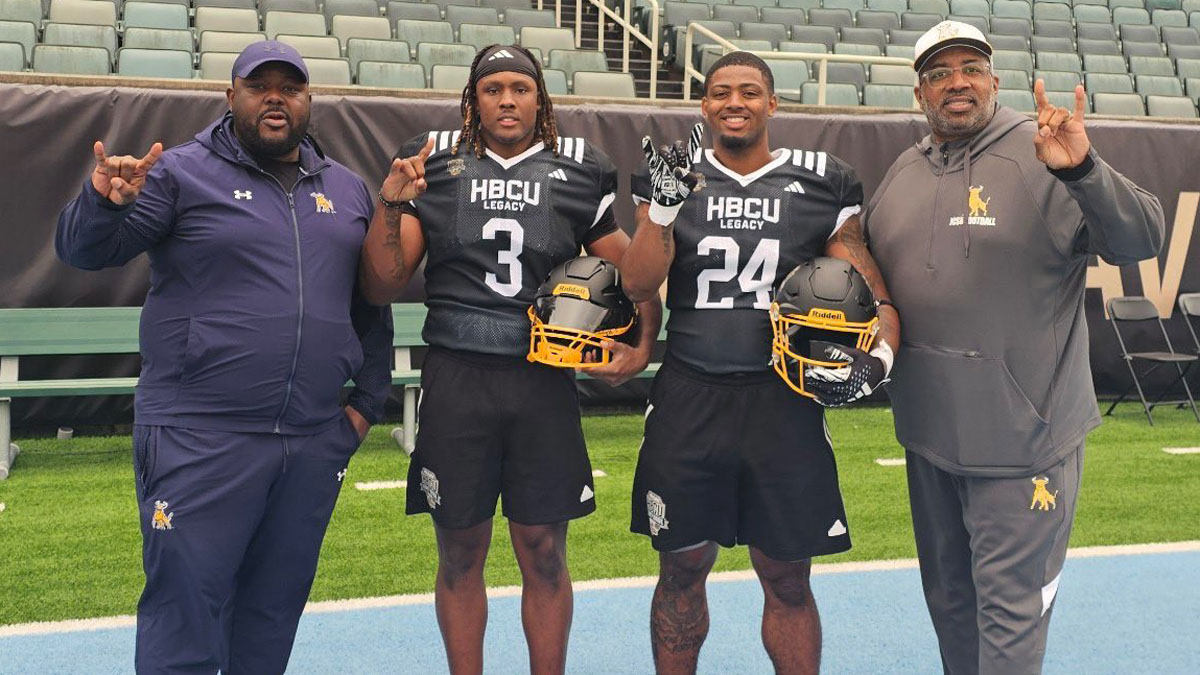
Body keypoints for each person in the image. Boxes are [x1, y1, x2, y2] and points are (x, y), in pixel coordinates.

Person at [55, 41, 393, 674]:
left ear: (308, 101)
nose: (275, 97)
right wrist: (103, 204)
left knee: (271, 615)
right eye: (258, 85)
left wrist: (365, 408)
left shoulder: (346, 189)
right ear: (230, 96)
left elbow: (369, 304)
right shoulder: (180, 173)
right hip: (200, 434)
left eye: (289, 88)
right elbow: (85, 253)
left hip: (310, 439)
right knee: (185, 613)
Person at [863, 21, 1165, 675]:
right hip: (931, 439)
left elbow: (1142, 241)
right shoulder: (902, 173)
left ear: (994, 82)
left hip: (1025, 441)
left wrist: (1084, 169)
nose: (957, 82)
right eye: (940, 73)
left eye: (971, 68)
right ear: (921, 93)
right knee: (951, 611)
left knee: (1009, 629)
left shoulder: (1043, 154)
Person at [357, 44, 661, 675]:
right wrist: (390, 203)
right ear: (473, 100)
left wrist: (644, 339)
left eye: (519, 88)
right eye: (491, 88)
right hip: (458, 377)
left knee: (544, 550)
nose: (506, 100)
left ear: (539, 98)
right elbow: (384, 284)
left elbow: (633, 277)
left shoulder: (581, 168)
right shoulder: (433, 161)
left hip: (541, 380)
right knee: (461, 551)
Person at [619, 51, 900, 674]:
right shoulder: (676, 174)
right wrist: (662, 212)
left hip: (783, 400)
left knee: (787, 574)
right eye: (720, 92)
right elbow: (639, 285)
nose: (734, 102)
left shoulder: (823, 179)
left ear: (773, 103)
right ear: (703, 105)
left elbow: (870, 288)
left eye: (749, 91)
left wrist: (878, 359)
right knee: (682, 568)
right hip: (691, 393)